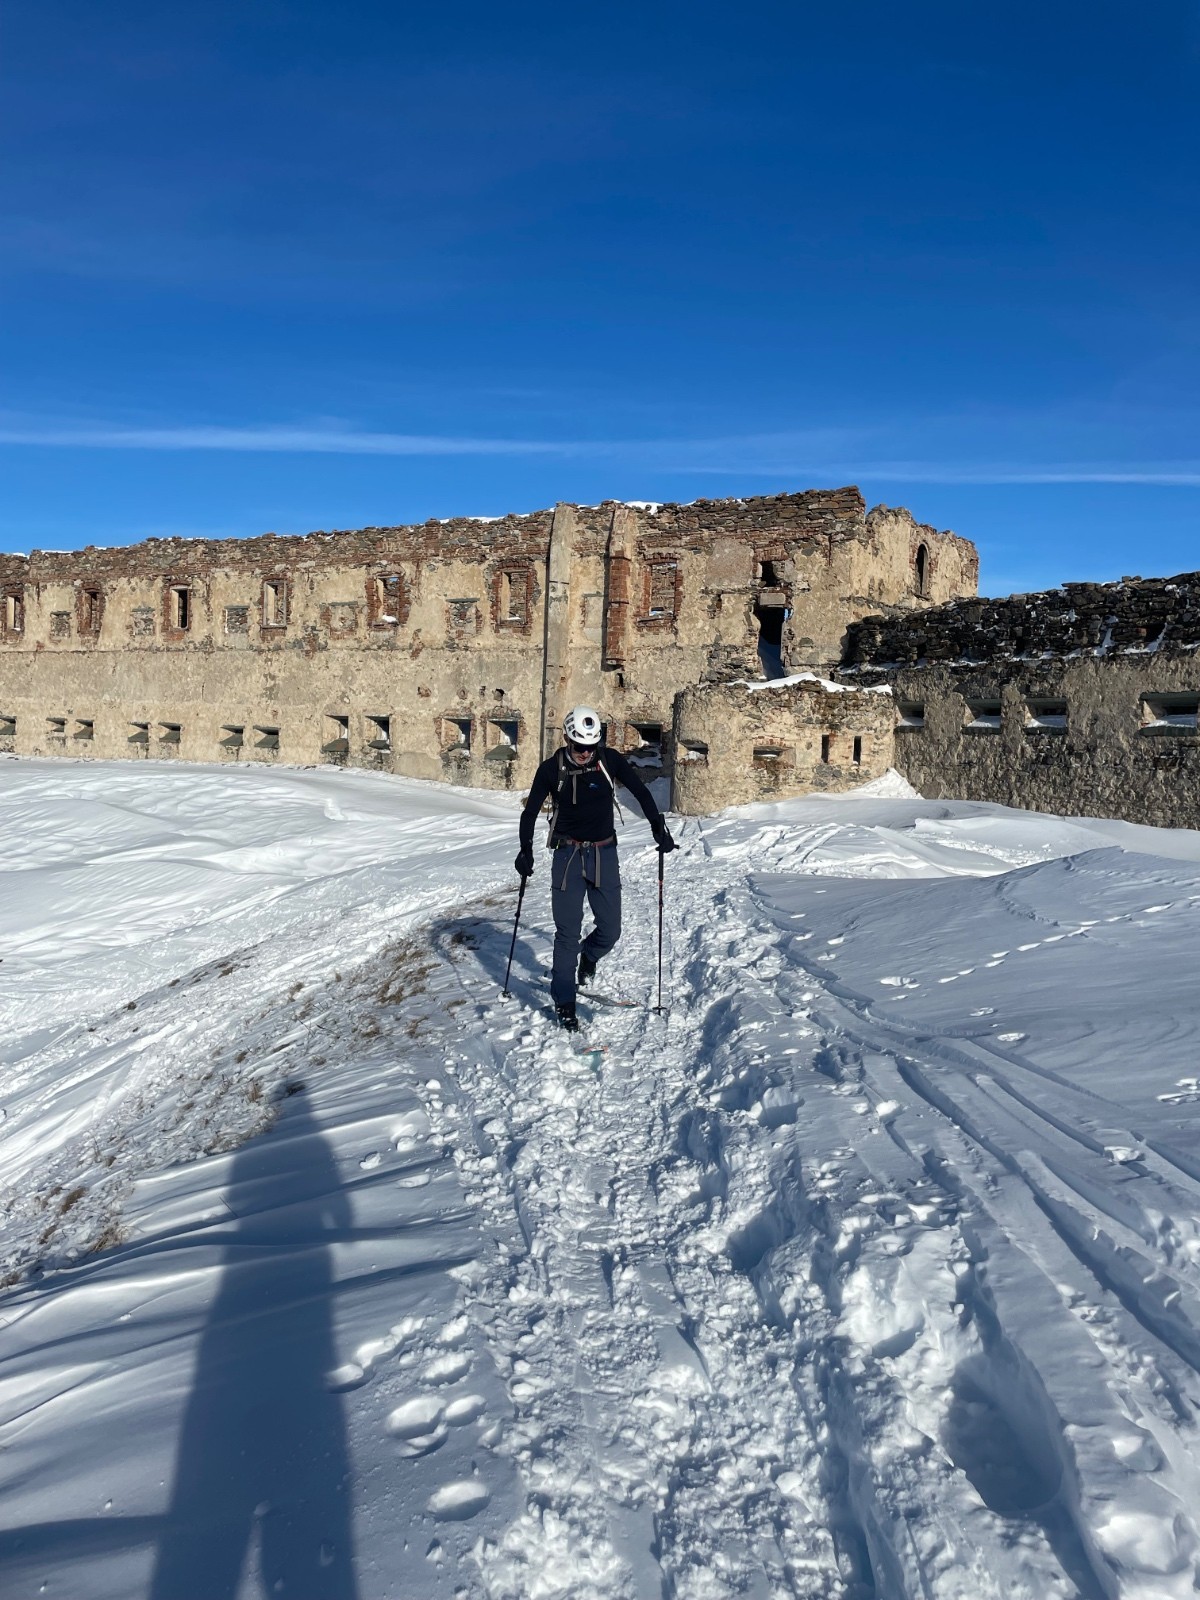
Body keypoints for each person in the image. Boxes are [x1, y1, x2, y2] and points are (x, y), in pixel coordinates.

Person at [515, 705, 676, 1030]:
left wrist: (659, 827)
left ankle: (588, 958)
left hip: (604, 853)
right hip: (567, 855)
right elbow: (530, 811)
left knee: (610, 931)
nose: (585, 753)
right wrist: (525, 850)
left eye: (591, 746)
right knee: (566, 935)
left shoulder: (610, 760)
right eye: (579, 746)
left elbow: (641, 792)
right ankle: (564, 1002)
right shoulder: (551, 768)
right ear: (567, 739)